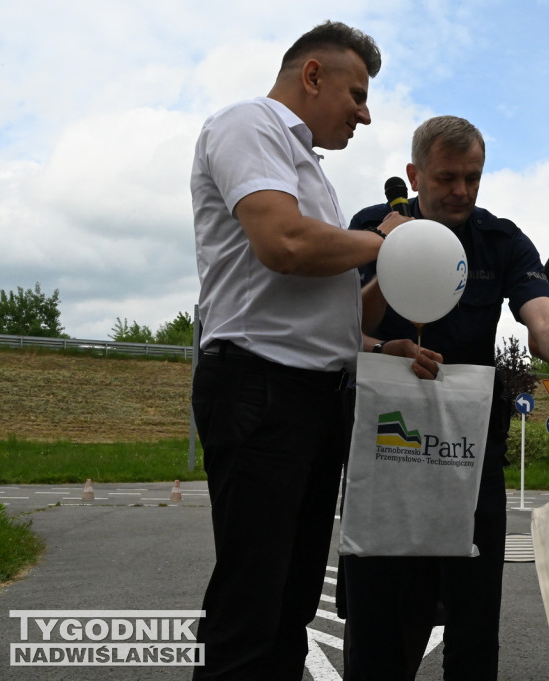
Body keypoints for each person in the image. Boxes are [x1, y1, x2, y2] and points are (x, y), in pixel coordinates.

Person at [189, 21, 440, 680]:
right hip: (260, 388)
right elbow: (286, 245)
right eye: (356, 93)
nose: (364, 112)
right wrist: (390, 241)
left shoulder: (310, 170)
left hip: (310, 396)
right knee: (250, 607)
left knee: (291, 604)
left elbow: (320, 311)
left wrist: (381, 343)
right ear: (312, 75)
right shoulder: (250, 126)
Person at [341, 115, 549, 681]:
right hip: (384, 448)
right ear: (414, 174)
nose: (461, 191)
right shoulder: (369, 226)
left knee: (474, 611)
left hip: (469, 452)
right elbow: (337, 328)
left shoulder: (501, 240)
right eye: (446, 178)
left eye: (473, 177)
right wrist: (393, 262)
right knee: (378, 611)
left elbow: (542, 313)